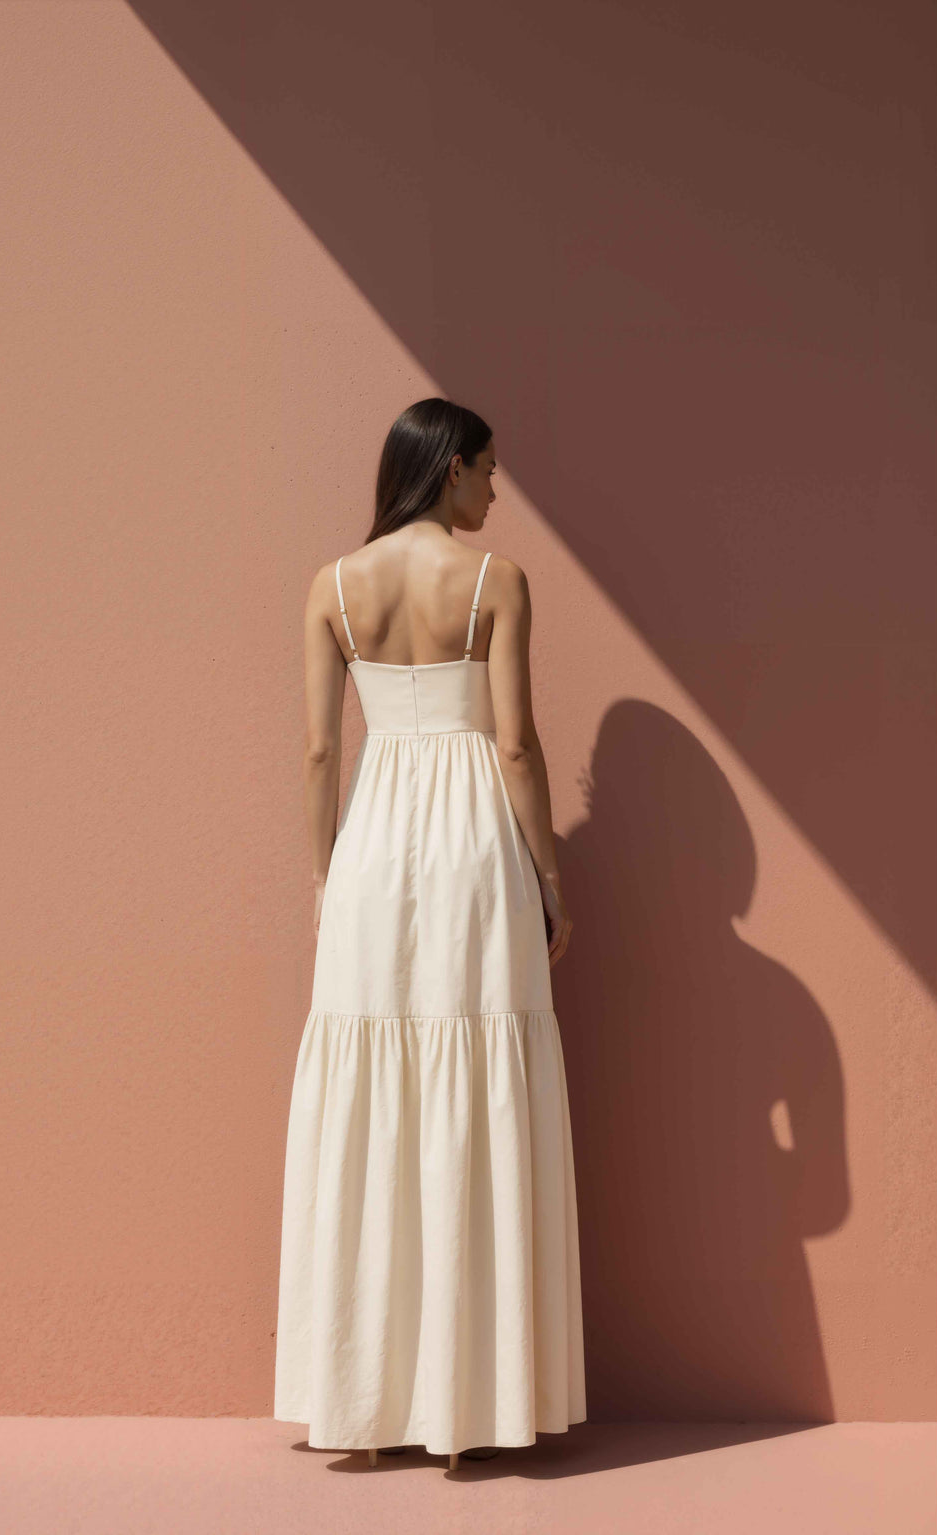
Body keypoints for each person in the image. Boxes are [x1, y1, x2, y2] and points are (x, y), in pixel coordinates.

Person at [273, 398, 586, 1472]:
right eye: (491, 471)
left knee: (375, 1100)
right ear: (452, 469)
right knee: (477, 1087)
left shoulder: (332, 587)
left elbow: (320, 753)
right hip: (470, 850)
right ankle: (474, 1401)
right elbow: (516, 745)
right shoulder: (496, 580)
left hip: (371, 849)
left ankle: (367, 1400)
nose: (496, 491)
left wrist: (326, 877)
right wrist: (550, 880)